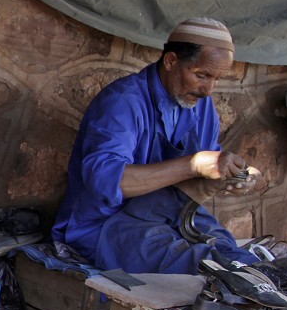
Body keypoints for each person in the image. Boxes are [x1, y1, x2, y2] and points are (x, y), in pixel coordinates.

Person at [51, 17, 259, 276]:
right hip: (105, 224)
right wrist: (193, 165)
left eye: (216, 79)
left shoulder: (202, 108)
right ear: (170, 61)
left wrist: (232, 176)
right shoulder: (122, 102)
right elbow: (106, 180)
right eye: (201, 75)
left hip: (168, 214)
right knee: (205, 267)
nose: (208, 90)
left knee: (234, 257)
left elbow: (206, 168)